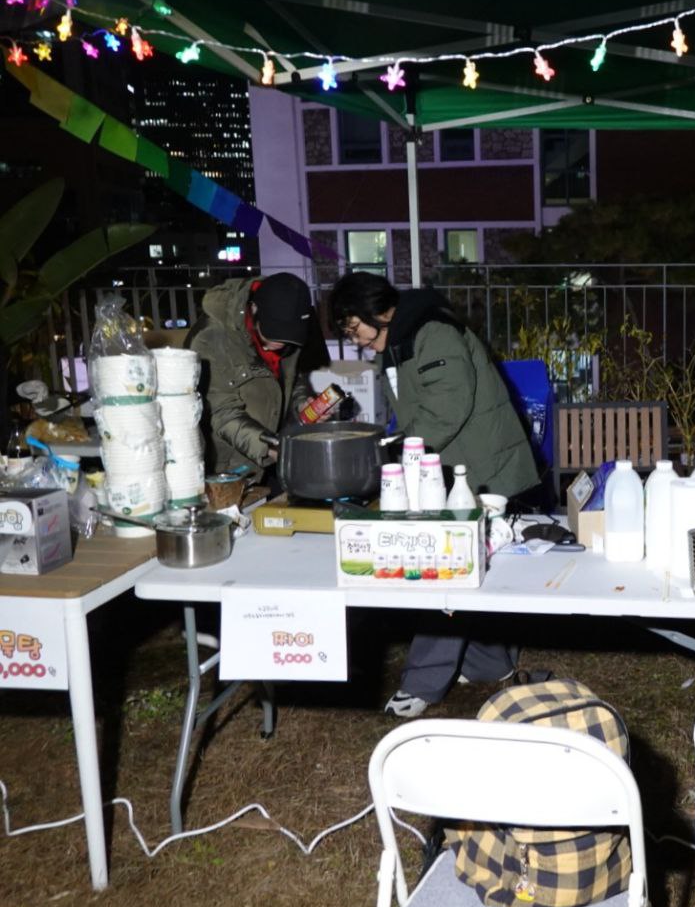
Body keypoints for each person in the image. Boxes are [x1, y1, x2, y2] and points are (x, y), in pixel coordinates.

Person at [329, 272, 539, 718]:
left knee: (444, 572)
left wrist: (395, 451)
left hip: (482, 471)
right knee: (468, 574)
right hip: (458, 467)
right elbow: (417, 410)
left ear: (377, 311)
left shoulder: (432, 333)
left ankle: (422, 682)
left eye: (355, 328)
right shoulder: (400, 340)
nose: (356, 340)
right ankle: (490, 663)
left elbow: (446, 408)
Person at [186, 273, 326, 476]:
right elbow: (221, 413)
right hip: (228, 470)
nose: (279, 345)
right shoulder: (211, 339)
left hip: (273, 458)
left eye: (287, 338)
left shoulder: (292, 330)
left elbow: (294, 380)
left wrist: (302, 404)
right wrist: (268, 447)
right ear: (253, 309)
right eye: (272, 333)